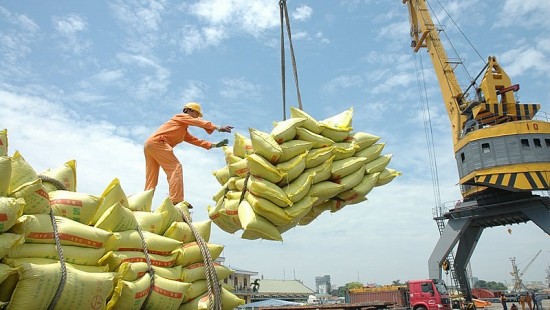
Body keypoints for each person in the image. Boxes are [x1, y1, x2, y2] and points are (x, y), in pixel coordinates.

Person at [144, 102, 233, 205]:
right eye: (196, 114)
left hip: (150, 145)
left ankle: (144, 202)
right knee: (175, 168)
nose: (197, 117)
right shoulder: (180, 117)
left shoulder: (182, 130)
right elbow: (197, 122)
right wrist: (218, 128)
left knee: (151, 178)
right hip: (158, 143)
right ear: (189, 110)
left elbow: (196, 141)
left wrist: (214, 145)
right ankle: (176, 200)